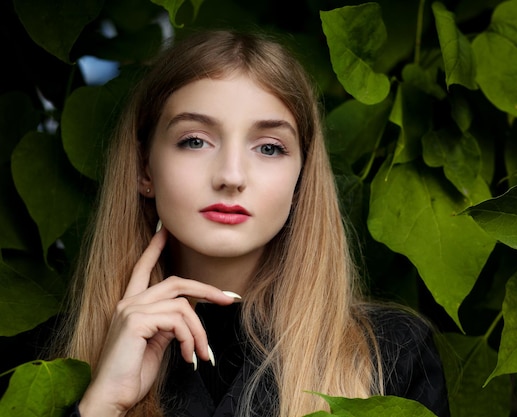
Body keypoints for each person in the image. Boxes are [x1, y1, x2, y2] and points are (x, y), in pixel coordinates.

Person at [49, 29, 450, 417]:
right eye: (195, 140)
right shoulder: (53, 363)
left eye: (270, 148)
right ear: (144, 168)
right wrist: (101, 406)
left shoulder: (390, 356)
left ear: (302, 179)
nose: (232, 175)